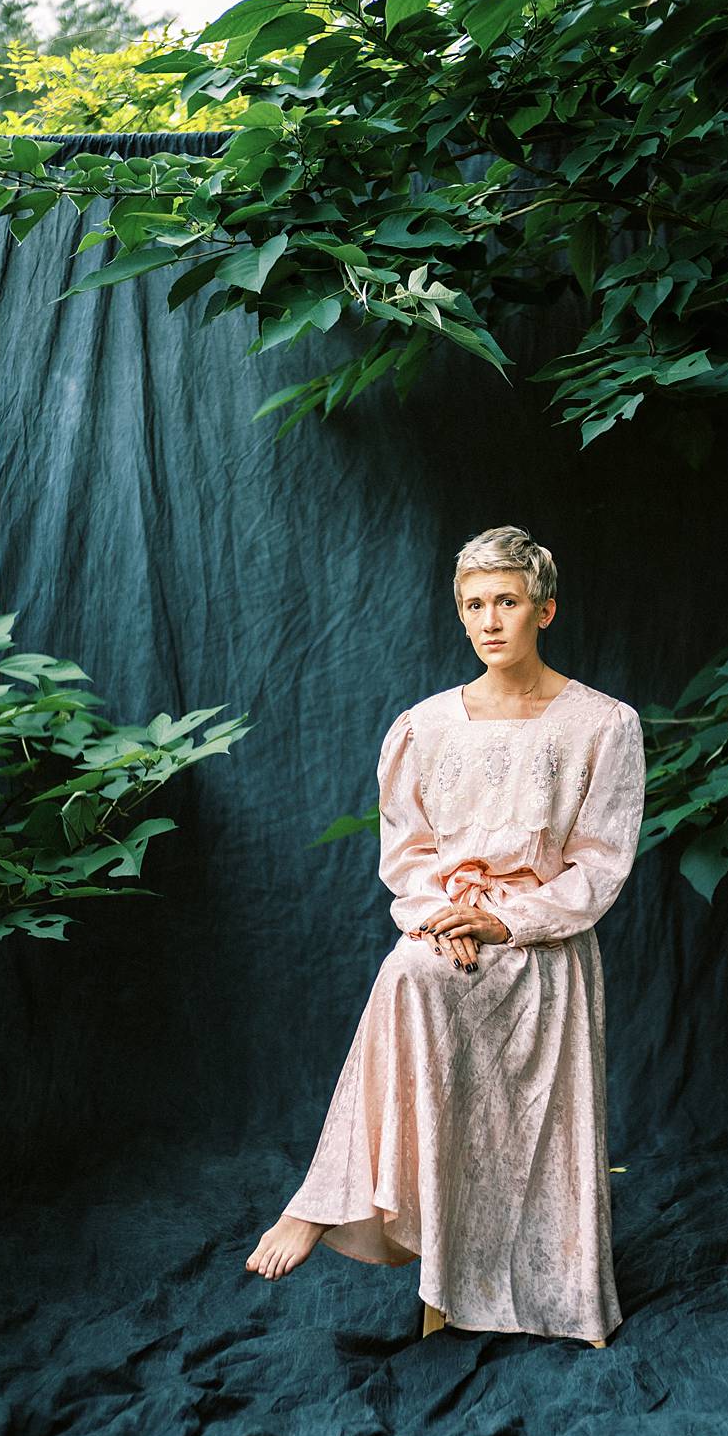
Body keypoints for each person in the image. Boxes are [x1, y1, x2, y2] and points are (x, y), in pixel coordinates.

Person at [244, 524, 646, 1344]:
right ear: (459, 617)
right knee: (409, 973)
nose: (490, 620)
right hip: (448, 936)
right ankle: (343, 1213)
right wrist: (442, 918)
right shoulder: (423, 728)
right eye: (473, 605)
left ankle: (550, 1293)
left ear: (546, 609)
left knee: (418, 991)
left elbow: (601, 864)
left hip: (542, 944)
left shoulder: (603, 725)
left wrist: (504, 917)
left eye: (506, 601)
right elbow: (410, 854)